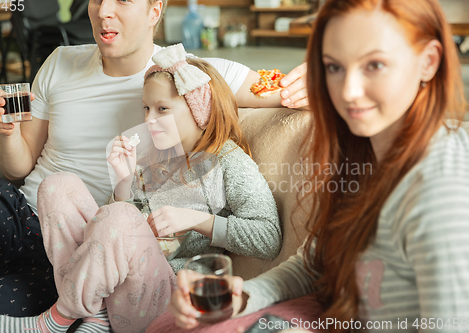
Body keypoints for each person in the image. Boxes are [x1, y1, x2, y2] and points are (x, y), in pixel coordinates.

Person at [0, 0, 307, 329]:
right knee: (58, 185)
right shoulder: (152, 152)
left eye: (161, 109)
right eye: (145, 110)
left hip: (145, 279)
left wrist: (320, 80)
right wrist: (121, 183)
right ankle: (93, 315)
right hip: (54, 234)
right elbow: (118, 224)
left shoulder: (200, 95)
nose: (103, 12)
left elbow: (267, 236)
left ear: (154, 10)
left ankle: (60, 318)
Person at [156, 0, 469, 332]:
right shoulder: (364, 153)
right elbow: (313, 264)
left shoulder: (440, 185)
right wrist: (242, 297)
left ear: (429, 62)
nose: (348, 91)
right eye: (334, 67)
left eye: (374, 65)